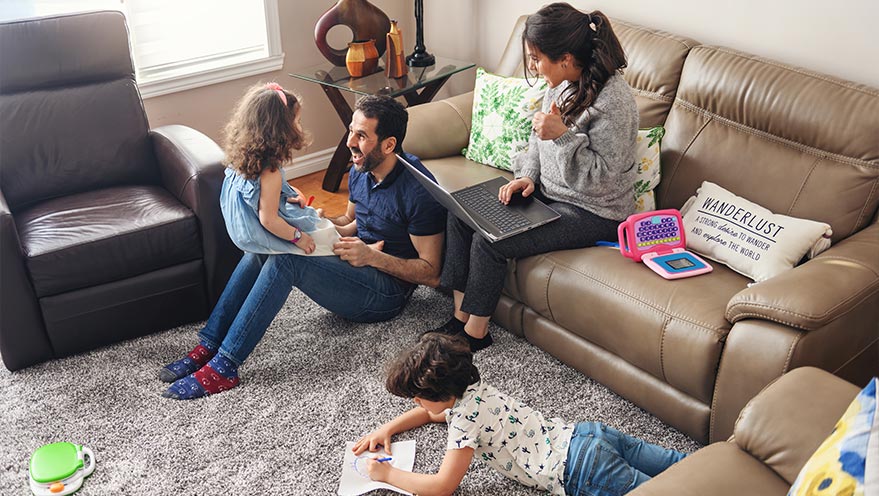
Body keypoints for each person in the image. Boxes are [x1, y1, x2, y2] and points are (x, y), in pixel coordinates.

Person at [160, 94, 446, 400]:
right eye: (351, 130)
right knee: (263, 248)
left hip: (386, 295)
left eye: (361, 136)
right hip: (356, 264)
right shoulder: (361, 168)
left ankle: (225, 366)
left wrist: (372, 257)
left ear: (388, 145)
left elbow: (431, 273)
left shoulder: (418, 191)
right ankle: (210, 344)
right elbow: (350, 222)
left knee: (287, 261)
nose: (350, 142)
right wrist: (307, 217)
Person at [432, 3, 640, 351]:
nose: (532, 66)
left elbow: (602, 180)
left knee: (491, 241)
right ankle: (459, 317)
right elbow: (535, 141)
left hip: (595, 211)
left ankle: (474, 337)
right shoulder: (559, 82)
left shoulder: (615, 102)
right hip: (549, 192)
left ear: (566, 58)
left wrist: (562, 135)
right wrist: (527, 176)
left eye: (536, 58)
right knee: (461, 213)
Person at [353, 333, 686, 495]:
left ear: (439, 395)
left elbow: (443, 485)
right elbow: (432, 415)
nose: (417, 406)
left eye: (418, 399)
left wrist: (387, 476)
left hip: (579, 469)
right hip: (588, 435)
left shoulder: (463, 423)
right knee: (678, 465)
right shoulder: (473, 392)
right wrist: (388, 428)